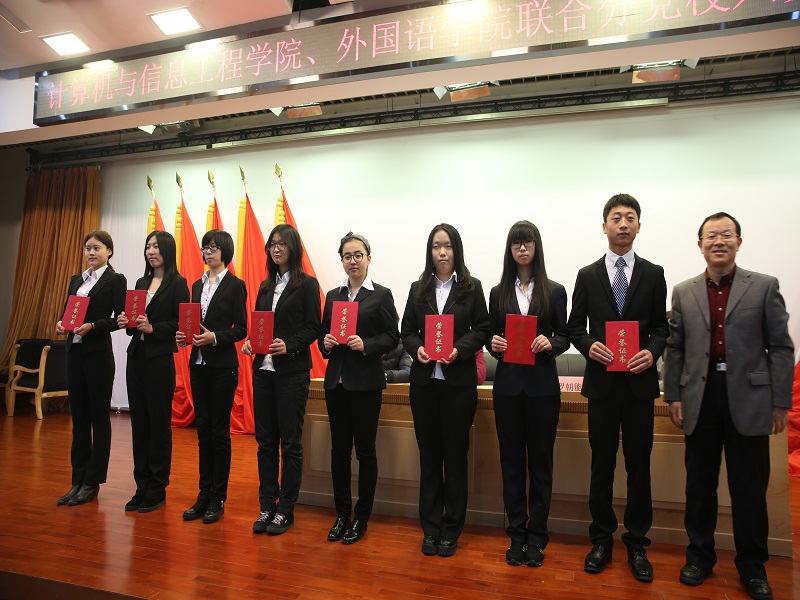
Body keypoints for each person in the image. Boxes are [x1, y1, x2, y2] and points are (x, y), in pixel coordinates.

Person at [663, 213, 793, 600]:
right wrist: (673, 396)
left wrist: (779, 401)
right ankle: (699, 558)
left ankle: (752, 567)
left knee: (749, 490)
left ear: (738, 241)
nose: (718, 241)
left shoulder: (764, 286)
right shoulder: (683, 291)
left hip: (750, 400)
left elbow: (781, 347)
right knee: (699, 486)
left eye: (726, 235)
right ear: (699, 244)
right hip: (700, 398)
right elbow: (675, 348)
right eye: (711, 236)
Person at [566, 194, 668, 582]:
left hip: (640, 386)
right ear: (604, 226)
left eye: (630, 218)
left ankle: (637, 543)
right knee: (602, 465)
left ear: (639, 226)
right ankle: (601, 540)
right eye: (616, 218)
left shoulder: (654, 273)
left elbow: (661, 328)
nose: (623, 224)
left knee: (639, 467)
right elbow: (574, 326)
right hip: (603, 386)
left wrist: (651, 351)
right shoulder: (587, 274)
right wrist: (588, 345)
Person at [400, 223, 490, 558]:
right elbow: (407, 330)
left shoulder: (471, 287)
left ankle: (451, 529)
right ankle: (431, 527)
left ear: (456, 250)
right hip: (424, 384)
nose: (442, 252)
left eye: (448, 246)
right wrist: (418, 349)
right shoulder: (418, 288)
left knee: (454, 458)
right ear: (430, 251)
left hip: (458, 386)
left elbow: (483, 327)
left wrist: (459, 349)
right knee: (429, 458)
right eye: (436, 246)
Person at [488, 220, 569, 567]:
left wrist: (551, 342)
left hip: (542, 390)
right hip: (507, 389)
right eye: (516, 243)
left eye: (528, 242)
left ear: (537, 247)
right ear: (509, 250)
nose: (522, 248)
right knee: (511, 465)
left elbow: (565, 335)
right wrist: (494, 345)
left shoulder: (555, 290)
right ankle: (516, 534)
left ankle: (537, 536)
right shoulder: (498, 292)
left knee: (540, 464)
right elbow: (492, 338)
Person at [319, 232, 400, 544]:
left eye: (358, 255)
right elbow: (323, 337)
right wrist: (325, 343)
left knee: (365, 452)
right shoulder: (333, 296)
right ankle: (342, 514)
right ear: (341, 260)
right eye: (347, 256)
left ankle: (361, 517)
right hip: (336, 383)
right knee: (339, 452)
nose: (352, 261)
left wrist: (367, 344)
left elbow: (392, 336)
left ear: (368, 258)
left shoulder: (381, 295)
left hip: (366, 384)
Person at [242, 224, 321, 535]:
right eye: (272, 244)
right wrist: (251, 341)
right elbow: (259, 326)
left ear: (293, 248)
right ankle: (266, 505)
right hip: (263, 372)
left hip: (291, 374)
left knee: (290, 444)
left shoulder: (307, 285)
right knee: (265, 443)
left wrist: (290, 345)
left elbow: (314, 327)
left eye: (282, 244)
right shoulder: (265, 286)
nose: (276, 249)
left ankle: (286, 508)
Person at [177, 230, 247, 525]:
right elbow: (192, 322)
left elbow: (241, 329)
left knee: (219, 433)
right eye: (205, 247)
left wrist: (215, 337)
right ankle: (203, 494)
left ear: (225, 251)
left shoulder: (235, 285)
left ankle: (218, 497)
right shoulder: (196, 284)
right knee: (203, 432)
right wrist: (185, 336)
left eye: (214, 247)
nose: (208, 252)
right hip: (198, 365)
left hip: (222, 368)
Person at [117, 231, 189, 513]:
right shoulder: (141, 282)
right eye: (148, 246)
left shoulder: (178, 283)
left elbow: (182, 323)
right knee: (139, 424)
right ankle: (141, 486)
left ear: (167, 250)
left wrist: (153, 328)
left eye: (156, 247)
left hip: (159, 360)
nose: (151, 251)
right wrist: (128, 322)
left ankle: (157, 489)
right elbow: (134, 325)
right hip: (136, 357)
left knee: (158, 425)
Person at [56, 230, 126, 507]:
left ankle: (92, 482)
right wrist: (61, 324)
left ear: (109, 251)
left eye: (97, 248)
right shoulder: (78, 279)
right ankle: (77, 480)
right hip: (74, 354)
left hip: (97, 356)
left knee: (98, 418)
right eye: (88, 248)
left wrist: (95, 326)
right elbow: (68, 313)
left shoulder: (115, 280)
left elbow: (121, 319)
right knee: (79, 418)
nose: (91, 253)